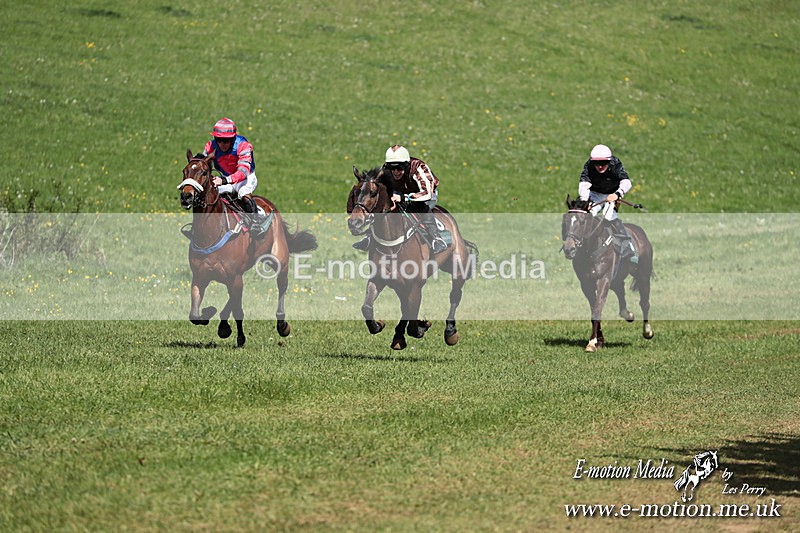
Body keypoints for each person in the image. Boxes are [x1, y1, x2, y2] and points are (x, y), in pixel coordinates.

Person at [353, 145, 448, 254]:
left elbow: (427, 193)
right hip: (400, 193)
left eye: (399, 168)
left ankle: (436, 238)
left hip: (424, 195)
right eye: (392, 168)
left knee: (421, 207)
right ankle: (370, 236)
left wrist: (404, 198)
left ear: (406, 165)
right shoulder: (386, 170)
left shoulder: (419, 168)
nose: (396, 171)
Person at [203, 117, 268, 238]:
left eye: (226, 141)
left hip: (245, 179)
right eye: (219, 140)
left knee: (243, 193)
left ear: (233, 138)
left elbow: (243, 172)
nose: (222, 144)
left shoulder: (243, 145)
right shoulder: (210, 147)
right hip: (225, 179)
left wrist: (224, 180)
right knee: (208, 196)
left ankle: (256, 223)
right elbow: (202, 165)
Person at [578, 144, 638, 263]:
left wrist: (617, 194)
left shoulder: (615, 164)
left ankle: (628, 248)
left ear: (609, 161)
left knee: (610, 216)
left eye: (603, 163)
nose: (600, 166)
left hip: (613, 195)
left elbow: (626, 181)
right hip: (595, 194)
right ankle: (581, 246)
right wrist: (585, 201)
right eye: (596, 163)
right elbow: (584, 184)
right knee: (587, 215)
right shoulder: (589, 166)